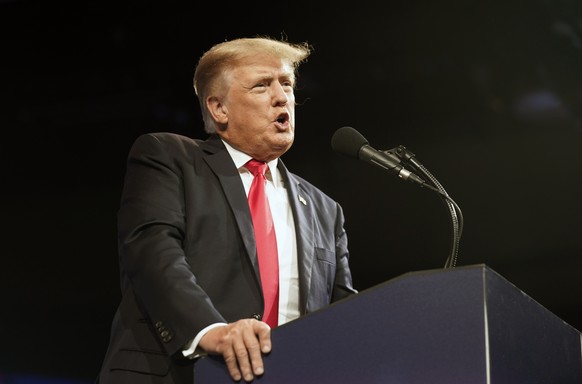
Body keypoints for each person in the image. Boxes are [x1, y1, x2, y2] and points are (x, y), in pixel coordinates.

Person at [97, 36, 357, 384]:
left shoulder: (325, 209)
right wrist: (211, 330)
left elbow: (343, 317)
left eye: (287, 84)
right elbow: (152, 252)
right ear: (219, 109)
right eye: (262, 86)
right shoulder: (169, 158)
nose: (282, 97)